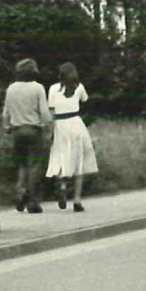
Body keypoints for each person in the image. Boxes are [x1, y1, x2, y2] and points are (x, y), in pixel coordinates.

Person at [1, 58, 53, 213]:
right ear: (33, 71)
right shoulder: (38, 88)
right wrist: (48, 127)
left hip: (17, 131)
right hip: (33, 130)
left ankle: (20, 192)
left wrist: (7, 126)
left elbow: (5, 113)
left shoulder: (11, 88)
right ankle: (32, 201)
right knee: (35, 165)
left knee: (22, 164)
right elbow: (44, 112)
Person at [45, 62, 98, 211]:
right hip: (75, 123)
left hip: (60, 124)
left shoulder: (53, 89)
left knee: (59, 156)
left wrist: (51, 131)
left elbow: (51, 112)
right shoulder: (79, 87)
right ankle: (77, 199)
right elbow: (86, 102)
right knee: (79, 161)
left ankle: (61, 184)